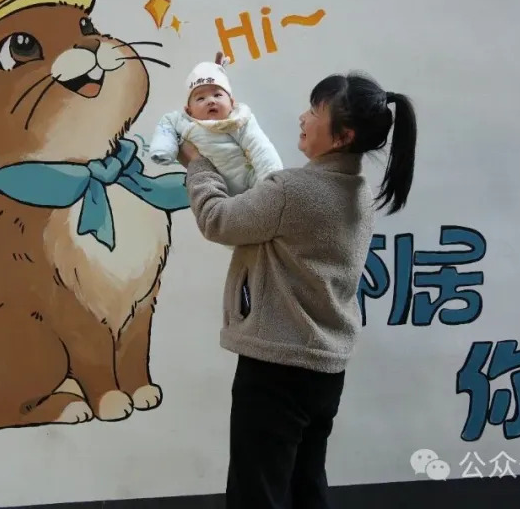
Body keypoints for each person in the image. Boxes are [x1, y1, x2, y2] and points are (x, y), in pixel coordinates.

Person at [177, 69, 418, 508]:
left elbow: (217, 220)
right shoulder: (359, 192)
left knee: (258, 494)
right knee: (306, 485)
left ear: (343, 136)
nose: (303, 118)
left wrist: (198, 165)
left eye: (315, 112)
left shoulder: (292, 190)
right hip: (325, 368)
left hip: (276, 365)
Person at [150, 53, 283, 196]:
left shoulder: (239, 121)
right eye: (201, 98)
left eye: (218, 95)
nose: (211, 101)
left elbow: (260, 148)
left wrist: (271, 183)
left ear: (232, 103)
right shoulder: (184, 122)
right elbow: (166, 125)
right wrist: (163, 150)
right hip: (216, 189)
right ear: (189, 111)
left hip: (252, 182)